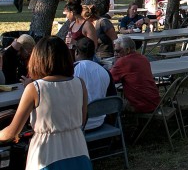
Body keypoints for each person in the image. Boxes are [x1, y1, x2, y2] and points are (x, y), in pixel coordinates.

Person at [0, 36, 92, 169]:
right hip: (78, 150)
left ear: (37, 59)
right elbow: (82, 120)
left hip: (47, 155)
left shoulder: (35, 88)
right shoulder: (79, 83)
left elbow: (12, 132)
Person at [109, 36, 160, 113]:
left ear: (127, 50)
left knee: (108, 102)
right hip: (155, 102)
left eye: (117, 51)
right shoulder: (143, 58)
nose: (115, 54)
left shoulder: (123, 61)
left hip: (140, 105)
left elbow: (108, 79)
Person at [73, 37, 111, 130]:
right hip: (99, 121)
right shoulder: (104, 71)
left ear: (76, 52)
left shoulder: (71, 70)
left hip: (78, 122)